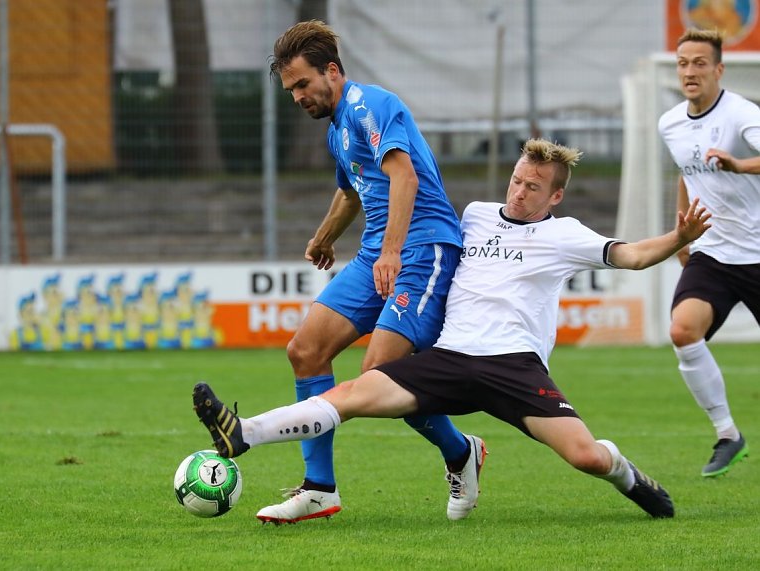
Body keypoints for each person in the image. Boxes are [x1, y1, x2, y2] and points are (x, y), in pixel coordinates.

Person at [194, 138, 713, 520]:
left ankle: (624, 472)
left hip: (514, 365)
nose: (520, 192)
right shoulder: (475, 216)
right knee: (353, 390)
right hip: (449, 357)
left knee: (584, 456)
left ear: (554, 198)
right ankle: (245, 434)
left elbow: (632, 255)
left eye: (534, 187)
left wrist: (678, 236)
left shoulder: (565, 235)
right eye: (516, 180)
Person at [259, 20, 473, 523]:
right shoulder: (338, 129)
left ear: (332, 71)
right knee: (305, 350)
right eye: (291, 90)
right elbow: (353, 189)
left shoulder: (369, 105)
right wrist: (324, 236)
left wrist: (392, 252)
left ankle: (460, 451)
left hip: (423, 249)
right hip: (379, 252)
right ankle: (319, 489)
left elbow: (404, 174)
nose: (297, 97)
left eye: (302, 85)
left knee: (379, 376)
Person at [658, 28, 758, 478]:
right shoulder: (670, 123)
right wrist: (684, 235)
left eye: (700, 63)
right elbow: (686, 174)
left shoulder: (741, 115)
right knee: (682, 330)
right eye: (683, 63)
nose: (690, 71)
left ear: (719, 69)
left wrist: (739, 164)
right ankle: (726, 434)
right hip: (714, 254)